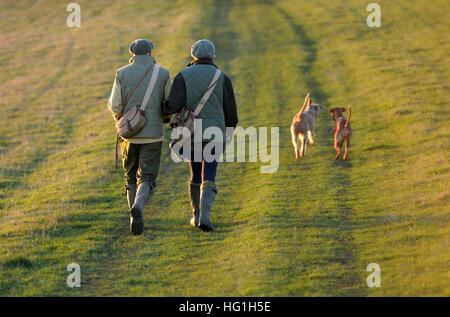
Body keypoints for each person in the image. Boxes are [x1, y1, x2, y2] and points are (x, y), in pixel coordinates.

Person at [163, 39, 238, 232]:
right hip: (215, 133)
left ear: (193, 55)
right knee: (209, 173)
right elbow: (231, 112)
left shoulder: (183, 76)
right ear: (212, 56)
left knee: (195, 173)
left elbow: (173, 106)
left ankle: (196, 216)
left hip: (190, 133)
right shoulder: (222, 77)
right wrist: (228, 133)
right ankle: (205, 216)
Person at [108, 39, 172, 235]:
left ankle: (132, 215)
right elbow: (169, 103)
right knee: (147, 176)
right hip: (152, 134)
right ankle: (139, 206)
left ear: (132, 54)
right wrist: (164, 118)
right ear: (150, 53)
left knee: (130, 176)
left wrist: (123, 120)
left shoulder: (121, 73)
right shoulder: (163, 73)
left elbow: (114, 105)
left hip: (129, 135)